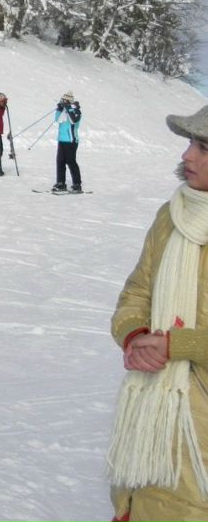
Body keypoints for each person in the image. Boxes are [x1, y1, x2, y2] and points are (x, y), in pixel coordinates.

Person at [107, 105, 208, 521]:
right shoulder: (171, 216)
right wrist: (136, 337)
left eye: (203, 147)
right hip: (153, 416)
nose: (188, 156)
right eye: (190, 143)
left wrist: (175, 344)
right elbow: (137, 291)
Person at [53, 90, 82, 193]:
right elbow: (57, 119)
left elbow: (74, 120)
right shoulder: (64, 111)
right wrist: (59, 109)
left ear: (69, 102)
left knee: (71, 161)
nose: (63, 101)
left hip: (71, 141)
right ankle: (60, 183)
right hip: (62, 140)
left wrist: (69, 108)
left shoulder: (76, 111)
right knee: (60, 161)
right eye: (62, 100)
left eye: (65, 100)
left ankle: (77, 184)